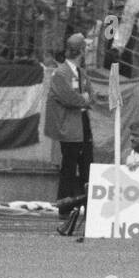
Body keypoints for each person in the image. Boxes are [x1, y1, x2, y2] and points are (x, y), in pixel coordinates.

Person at [42, 33, 94, 235]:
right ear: (81, 51)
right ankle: (65, 206)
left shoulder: (79, 72)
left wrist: (84, 98)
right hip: (70, 126)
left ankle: (87, 204)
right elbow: (70, 98)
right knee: (70, 165)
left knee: (87, 164)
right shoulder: (60, 73)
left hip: (81, 123)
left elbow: (89, 94)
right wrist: (85, 99)